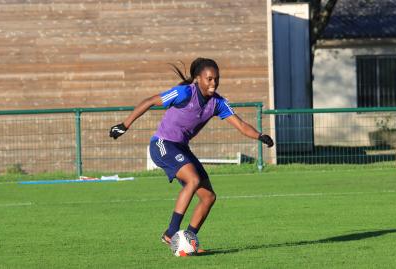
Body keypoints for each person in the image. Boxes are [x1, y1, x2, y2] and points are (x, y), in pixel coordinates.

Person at [109, 57, 274, 251]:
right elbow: (150, 101)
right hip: (162, 144)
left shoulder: (218, 103)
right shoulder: (184, 92)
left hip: (181, 148)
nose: (214, 83)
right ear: (198, 79)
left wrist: (259, 135)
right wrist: (124, 125)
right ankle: (170, 233)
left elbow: (240, 125)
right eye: (209, 79)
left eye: (216, 79)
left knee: (209, 197)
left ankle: (188, 241)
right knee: (193, 180)